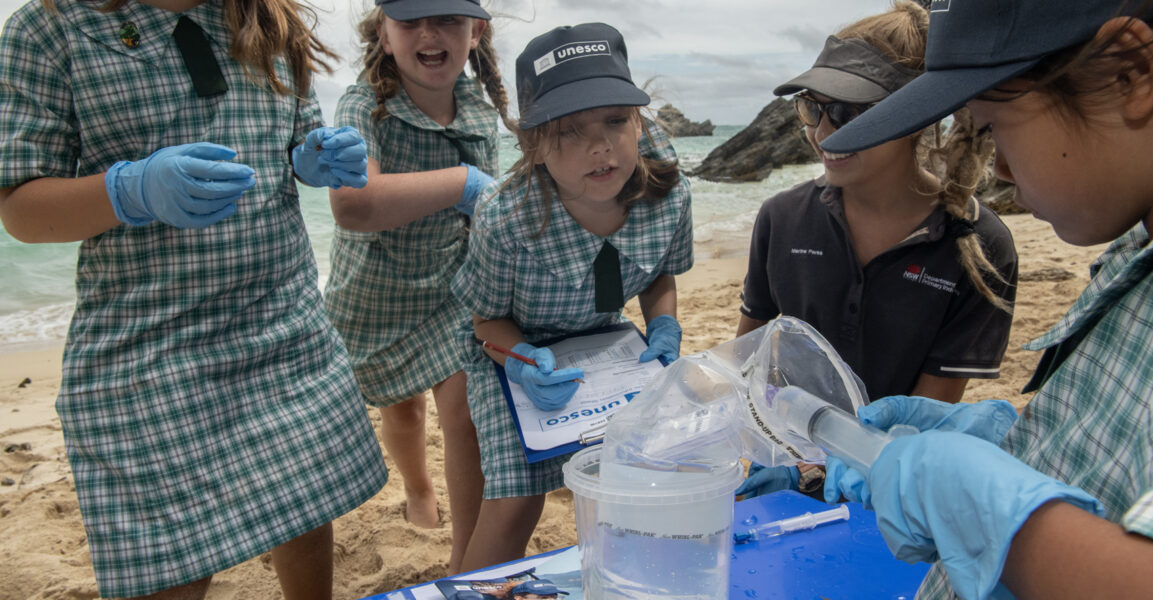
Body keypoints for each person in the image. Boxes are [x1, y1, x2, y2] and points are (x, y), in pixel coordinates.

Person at [0, 0, 389, 599]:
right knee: (169, 559)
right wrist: (128, 189)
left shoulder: (270, 19)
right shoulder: (50, 28)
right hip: (149, 348)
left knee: (304, 506)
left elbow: (292, 145)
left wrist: (314, 161)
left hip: (282, 322)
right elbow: (21, 209)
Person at [815, 0, 1153, 598]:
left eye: (992, 128)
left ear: (1131, 73)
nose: (1000, 172)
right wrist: (1015, 443)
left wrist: (993, 517)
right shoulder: (1147, 251)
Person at [736, 1, 1018, 499]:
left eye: (847, 112)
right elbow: (746, 362)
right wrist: (773, 456)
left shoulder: (980, 246)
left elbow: (923, 418)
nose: (823, 134)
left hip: (889, 487)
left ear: (917, 114)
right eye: (812, 108)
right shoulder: (780, 218)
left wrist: (819, 476)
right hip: (781, 465)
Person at [449, 22, 693, 571]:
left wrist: (664, 326)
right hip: (512, 352)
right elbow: (485, 323)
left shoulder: (669, 193)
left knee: (651, 470)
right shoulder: (504, 219)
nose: (600, 145)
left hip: (608, 345)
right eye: (569, 130)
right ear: (533, 145)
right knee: (515, 503)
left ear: (638, 120)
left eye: (615, 119)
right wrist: (523, 361)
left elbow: (659, 277)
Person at [322, 0, 505, 573]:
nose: (429, 33)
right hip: (377, 288)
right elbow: (353, 205)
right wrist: (462, 181)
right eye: (409, 20)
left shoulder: (477, 105)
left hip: (454, 285)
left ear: (475, 31)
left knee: (467, 413)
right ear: (384, 31)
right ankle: (419, 489)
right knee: (402, 413)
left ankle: (464, 563)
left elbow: (489, 213)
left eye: (448, 19)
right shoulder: (363, 104)